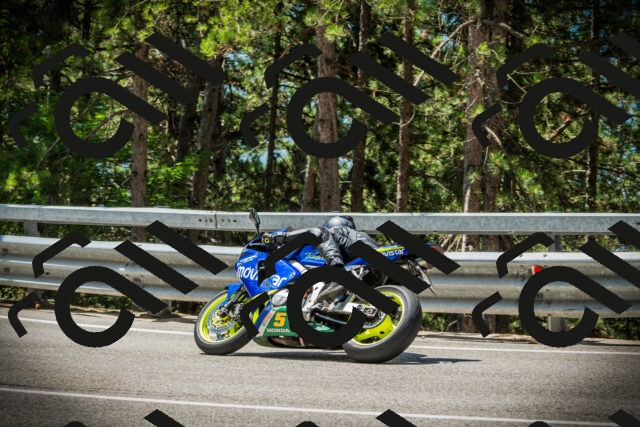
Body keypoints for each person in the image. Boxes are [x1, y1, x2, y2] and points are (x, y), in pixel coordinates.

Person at [264, 215, 379, 320]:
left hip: (364, 259)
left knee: (319, 232)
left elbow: (314, 232)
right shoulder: (357, 237)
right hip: (371, 270)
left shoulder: (338, 230)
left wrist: (281, 237)